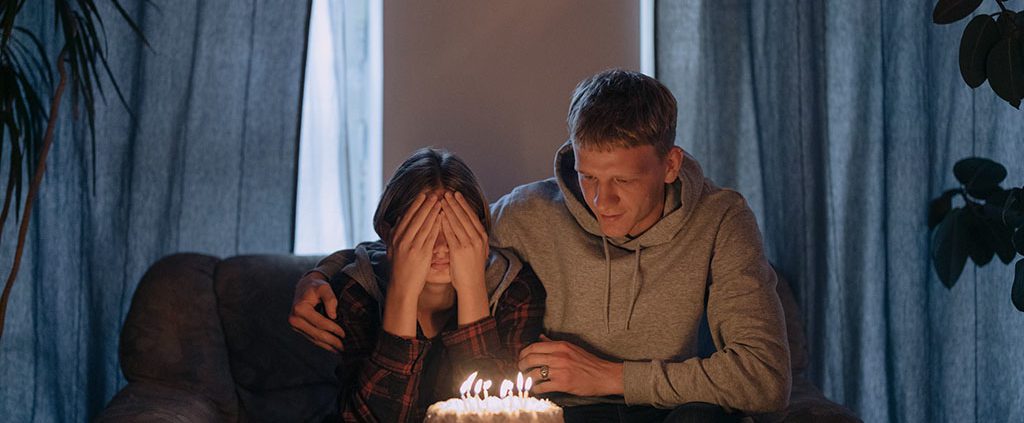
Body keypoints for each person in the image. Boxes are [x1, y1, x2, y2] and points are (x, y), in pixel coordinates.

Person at [291, 70, 790, 423]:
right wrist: (321, 273)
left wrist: (611, 376)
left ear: (671, 164)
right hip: (561, 414)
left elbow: (765, 378)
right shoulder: (527, 212)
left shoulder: (722, 218)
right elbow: (423, 247)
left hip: (673, 411)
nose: (602, 200)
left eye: (623, 181)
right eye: (588, 176)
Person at [290, 148, 545, 422]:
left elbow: (498, 414)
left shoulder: (515, 290)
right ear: (389, 234)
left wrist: (472, 289)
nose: (439, 247)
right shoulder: (356, 292)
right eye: (422, 231)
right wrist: (403, 292)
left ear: (480, 234)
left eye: (455, 230)